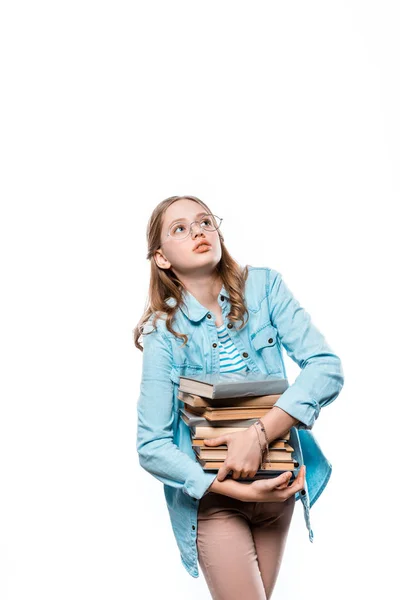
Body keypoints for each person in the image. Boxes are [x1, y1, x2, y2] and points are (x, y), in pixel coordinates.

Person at [134, 195, 344, 599]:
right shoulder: (164, 334)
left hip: (279, 486)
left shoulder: (265, 287)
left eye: (205, 221)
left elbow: (325, 367)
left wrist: (258, 435)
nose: (198, 231)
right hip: (217, 501)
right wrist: (237, 489)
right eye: (180, 228)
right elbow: (151, 445)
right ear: (162, 258)